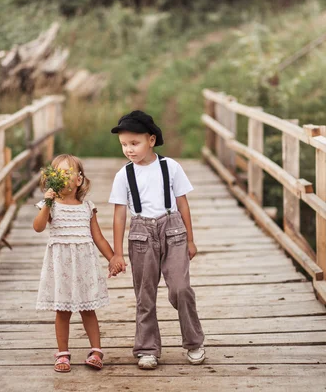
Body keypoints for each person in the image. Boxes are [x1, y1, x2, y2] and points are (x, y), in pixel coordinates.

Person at [108, 110, 205, 370]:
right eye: (124, 145)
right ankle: (147, 348)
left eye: (134, 143)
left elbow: (183, 203)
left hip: (173, 230)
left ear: (151, 140)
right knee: (145, 294)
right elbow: (119, 216)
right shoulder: (123, 175)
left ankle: (194, 341)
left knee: (180, 288)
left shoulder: (170, 167)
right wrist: (117, 253)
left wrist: (191, 240)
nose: (129, 149)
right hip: (140, 234)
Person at [33, 154, 122, 372]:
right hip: (61, 266)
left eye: (68, 173)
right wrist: (46, 202)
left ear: (79, 180)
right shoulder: (50, 206)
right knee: (62, 311)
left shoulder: (87, 207)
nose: (63, 177)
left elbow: (98, 237)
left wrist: (112, 257)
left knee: (88, 309)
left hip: (84, 266)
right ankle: (62, 353)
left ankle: (96, 351)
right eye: (58, 174)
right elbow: (38, 227)